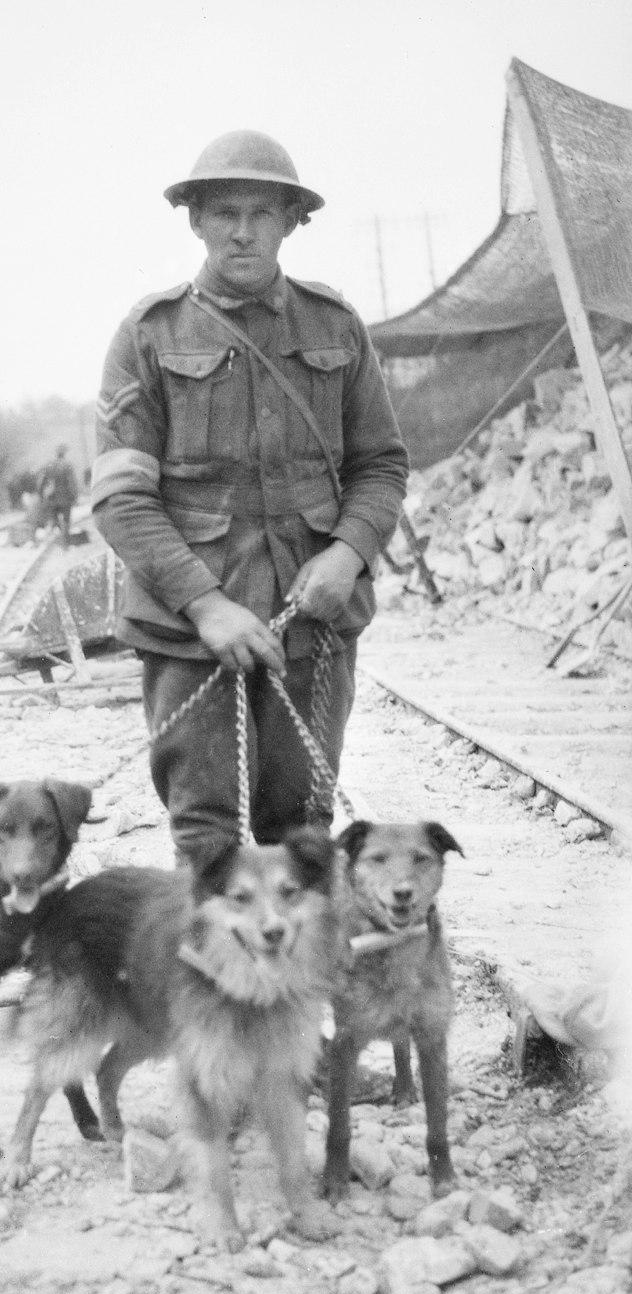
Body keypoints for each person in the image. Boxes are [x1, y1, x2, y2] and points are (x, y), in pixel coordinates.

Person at [91, 129, 409, 864]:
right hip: (189, 635)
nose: (242, 230)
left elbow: (381, 464)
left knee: (300, 837)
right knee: (205, 844)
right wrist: (207, 605)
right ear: (195, 220)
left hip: (311, 627)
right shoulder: (149, 333)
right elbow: (121, 499)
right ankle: (209, 981)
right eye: (224, 212)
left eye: (262, 214)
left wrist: (347, 553)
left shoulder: (336, 327)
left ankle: (292, 983)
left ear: (291, 222)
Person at [36, 443, 79, 544]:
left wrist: (41, 496)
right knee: (66, 520)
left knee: (55, 519)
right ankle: (65, 541)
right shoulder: (67, 465)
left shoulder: (49, 465)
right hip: (66, 498)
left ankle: (60, 538)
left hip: (52, 498)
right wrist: (74, 496)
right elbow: (72, 482)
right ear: (64, 453)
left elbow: (40, 483)